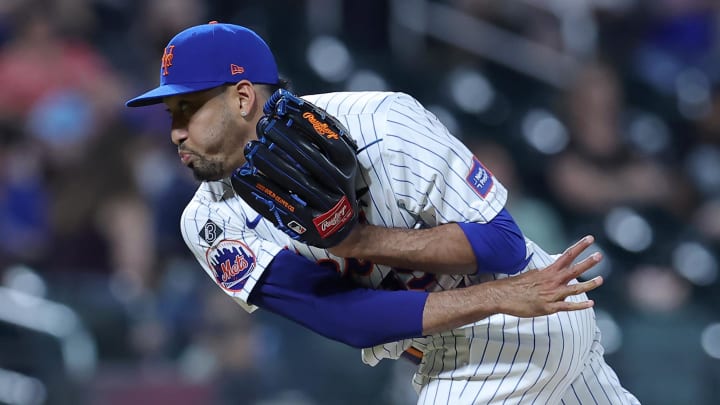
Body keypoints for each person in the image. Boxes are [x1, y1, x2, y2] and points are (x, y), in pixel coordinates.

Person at [126, 22, 639, 404]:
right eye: (173, 113)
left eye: (188, 108)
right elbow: (347, 319)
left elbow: (500, 244)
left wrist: (358, 240)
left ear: (241, 97)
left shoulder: (381, 122)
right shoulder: (208, 221)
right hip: (473, 331)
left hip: (522, 322)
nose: (175, 131)